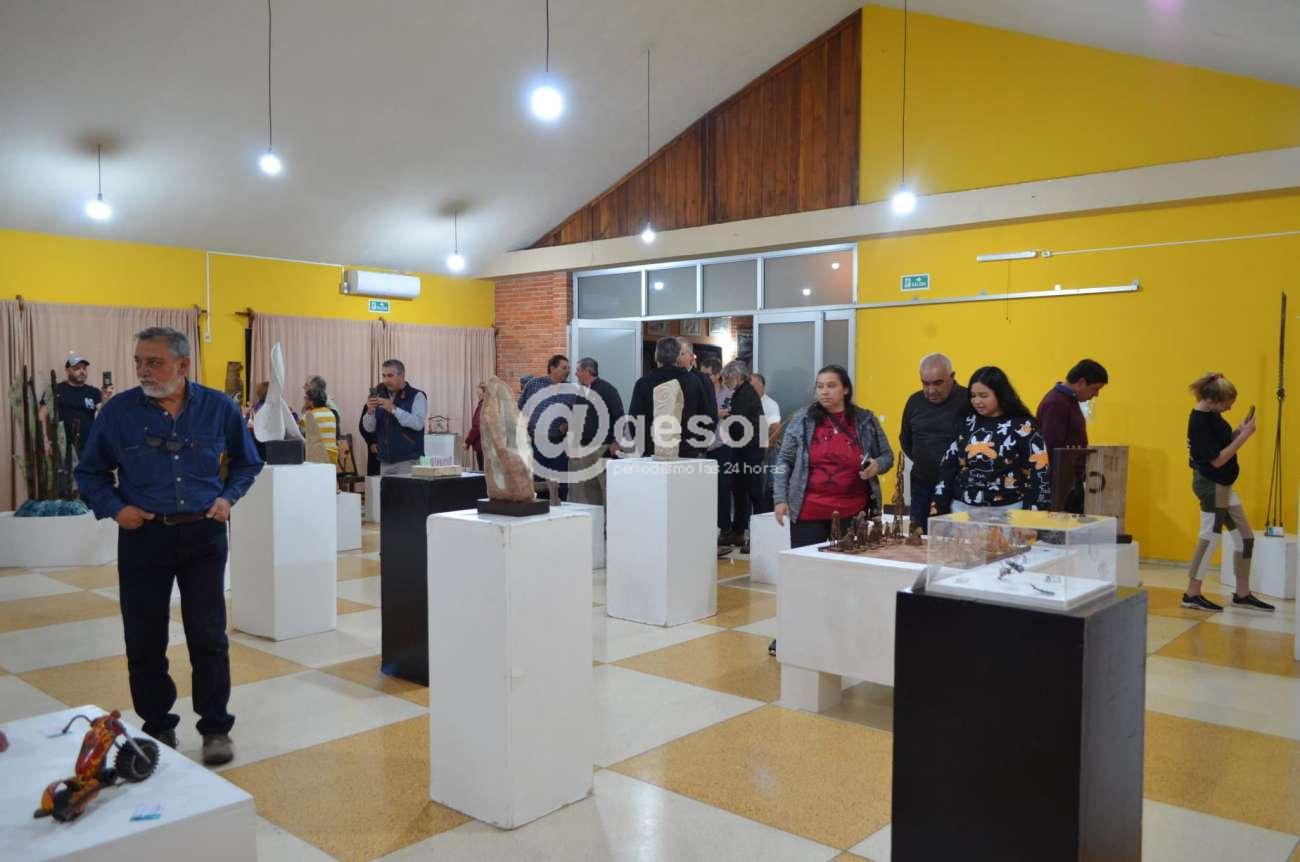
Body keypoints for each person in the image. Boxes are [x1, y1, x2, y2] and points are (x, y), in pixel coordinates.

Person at [74, 327, 262, 766]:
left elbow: (247, 462)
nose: (143, 371)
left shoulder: (219, 408)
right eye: (139, 361)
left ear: (183, 365)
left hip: (203, 535)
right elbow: (89, 473)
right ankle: (158, 726)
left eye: (154, 363)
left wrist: (228, 498)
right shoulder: (118, 412)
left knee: (209, 637)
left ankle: (215, 728)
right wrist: (115, 509)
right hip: (143, 536)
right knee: (144, 638)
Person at [771, 364, 893, 655]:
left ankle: (844, 631)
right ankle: (795, 632)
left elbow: (887, 455)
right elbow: (783, 460)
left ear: (845, 389)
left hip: (853, 511)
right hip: (809, 510)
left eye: (831, 386)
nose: (824, 392)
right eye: (820, 386)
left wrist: (877, 465)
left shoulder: (865, 420)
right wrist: (779, 498)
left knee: (848, 576)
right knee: (804, 577)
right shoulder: (802, 419)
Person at [1181, 372, 1273, 612]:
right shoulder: (1199, 422)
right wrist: (1245, 437)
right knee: (1209, 537)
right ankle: (1192, 594)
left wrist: (1237, 431)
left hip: (1223, 484)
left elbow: (1221, 446)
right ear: (1212, 400)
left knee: (1245, 538)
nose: (1230, 408)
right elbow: (1217, 460)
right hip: (1211, 484)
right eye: (1227, 404)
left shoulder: (1212, 415)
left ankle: (1242, 594)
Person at [933, 366, 1050, 515]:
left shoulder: (1023, 426)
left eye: (983, 395)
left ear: (1000, 394)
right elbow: (948, 466)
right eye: (973, 395)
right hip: (962, 508)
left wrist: (1032, 516)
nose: (976, 401)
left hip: (1008, 510)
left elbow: (1038, 472)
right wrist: (939, 506)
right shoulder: (966, 421)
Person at [898, 353, 969, 533]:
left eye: (938, 383)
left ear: (952, 377)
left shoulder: (968, 401)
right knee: (918, 537)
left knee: (954, 541)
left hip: (958, 489)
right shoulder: (914, 402)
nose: (931, 390)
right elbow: (906, 440)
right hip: (922, 486)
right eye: (925, 383)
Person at [1037, 358, 1108, 513]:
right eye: (1095, 389)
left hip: (1070, 480)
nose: (1096, 395)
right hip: (1061, 484)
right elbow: (1052, 448)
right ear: (1081, 382)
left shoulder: (1068, 401)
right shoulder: (1056, 403)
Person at [626, 336, 714, 459]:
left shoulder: (643, 383)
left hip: (653, 451)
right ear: (678, 356)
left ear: (656, 356)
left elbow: (635, 421)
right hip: (688, 450)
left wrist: (643, 448)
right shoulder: (693, 381)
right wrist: (700, 446)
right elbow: (707, 415)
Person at [43, 353, 113, 496]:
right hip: (62, 446)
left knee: (87, 484)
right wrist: (45, 440)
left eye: (84, 368)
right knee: (63, 486)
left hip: (88, 446)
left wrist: (105, 398)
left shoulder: (93, 392)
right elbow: (41, 414)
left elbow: (103, 415)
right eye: (77, 368)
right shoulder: (56, 390)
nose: (82, 371)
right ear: (67, 370)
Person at [720, 360, 766, 550]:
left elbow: (739, 423)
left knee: (754, 493)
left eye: (727, 378)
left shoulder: (745, 394)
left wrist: (725, 419)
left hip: (750, 450)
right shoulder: (743, 393)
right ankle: (738, 531)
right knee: (738, 490)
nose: (725, 382)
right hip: (744, 448)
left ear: (737, 377)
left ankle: (759, 536)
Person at [518, 355, 575, 500]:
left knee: (560, 484)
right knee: (538, 483)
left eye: (568, 368)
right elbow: (521, 407)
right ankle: (540, 509)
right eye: (564, 368)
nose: (568, 371)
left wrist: (569, 424)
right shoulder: (533, 385)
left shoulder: (571, 390)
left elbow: (579, 415)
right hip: (536, 444)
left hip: (559, 445)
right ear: (552, 368)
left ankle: (560, 509)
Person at [361, 359, 427, 476]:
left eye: (390, 376)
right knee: (386, 489)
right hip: (385, 461)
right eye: (384, 376)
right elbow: (369, 428)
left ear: (402, 375)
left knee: (407, 489)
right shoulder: (380, 396)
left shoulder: (417, 395)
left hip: (408, 460)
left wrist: (394, 409)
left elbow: (418, 424)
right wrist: (370, 412)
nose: (386, 380)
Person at [699, 356, 734, 547]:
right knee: (702, 489)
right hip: (701, 446)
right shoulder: (699, 392)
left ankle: (725, 527)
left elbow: (729, 414)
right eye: (703, 374)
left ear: (717, 375)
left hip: (722, 446)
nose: (705, 378)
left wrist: (715, 414)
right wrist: (715, 414)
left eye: (708, 375)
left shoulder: (728, 394)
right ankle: (704, 527)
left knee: (723, 487)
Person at [300, 379, 339, 465]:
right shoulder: (331, 413)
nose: (304, 400)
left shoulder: (309, 416)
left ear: (311, 401)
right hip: (332, 456)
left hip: (317, 457)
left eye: (306, 398)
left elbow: (299, 433)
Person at [464, 383, 485, 471]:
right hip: (486, 446)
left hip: (482, 445)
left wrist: (467, 442)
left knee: (483, 473)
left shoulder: (483, 407)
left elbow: (477, 427)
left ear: (485, 393)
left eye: (479, 392)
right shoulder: (488, 405)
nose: (477, 394)